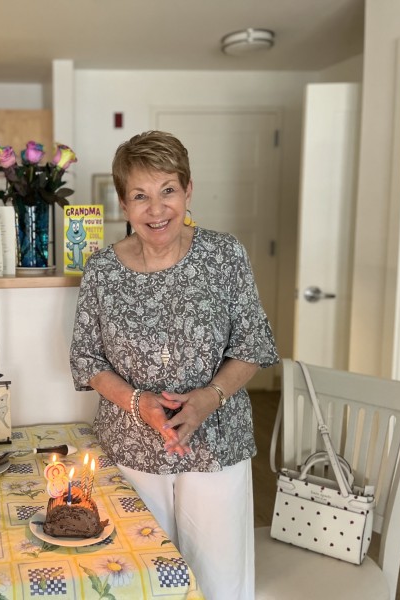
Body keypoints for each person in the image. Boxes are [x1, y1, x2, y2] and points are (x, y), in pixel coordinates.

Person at [70, 130, 278, 600]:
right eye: (140, 196)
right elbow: (87, 359)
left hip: (216, 443)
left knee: (219, 579)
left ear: (188, 190)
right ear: (123, 205)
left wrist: (210, 397)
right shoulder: (102, 270)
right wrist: (139, 402)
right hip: (132, 445)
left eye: (168, 191)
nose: (156, 209)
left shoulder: (225, 255)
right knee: (140, 580)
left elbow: (253, 344)